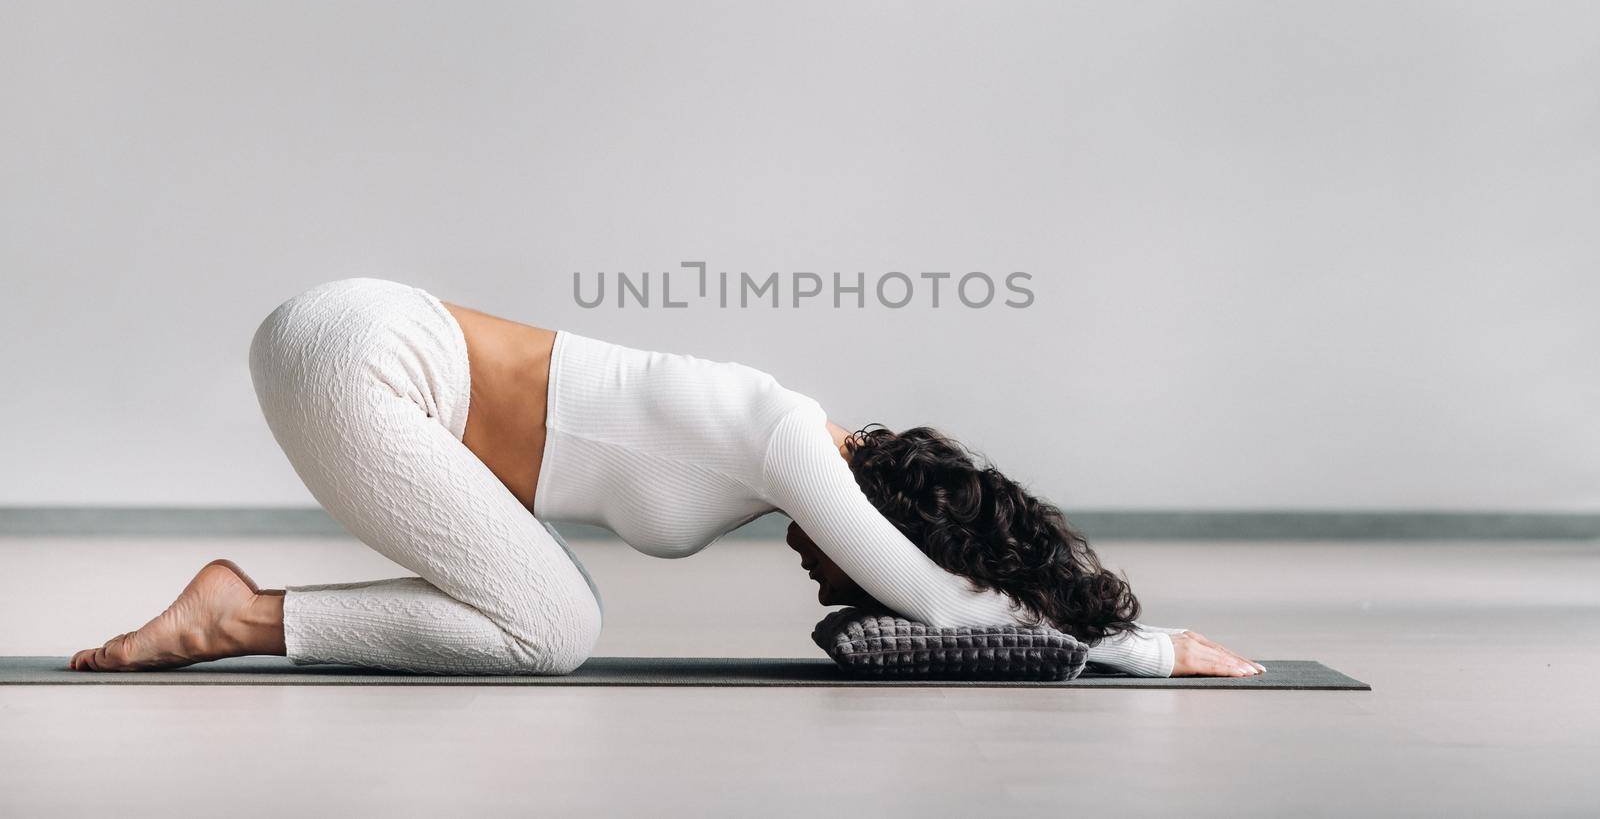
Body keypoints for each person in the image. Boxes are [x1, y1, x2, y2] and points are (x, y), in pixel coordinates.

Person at [69, 277, 1263, 678]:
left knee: (552, 613)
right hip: (365, 354)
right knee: (553, 626)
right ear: (900, 519)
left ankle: (240, 611)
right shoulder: (790, 437)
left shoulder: (778, 445)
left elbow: (931, 589)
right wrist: (1144, 645)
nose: (827, 577)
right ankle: (235, 611)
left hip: (354, 344)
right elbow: (940, 600)